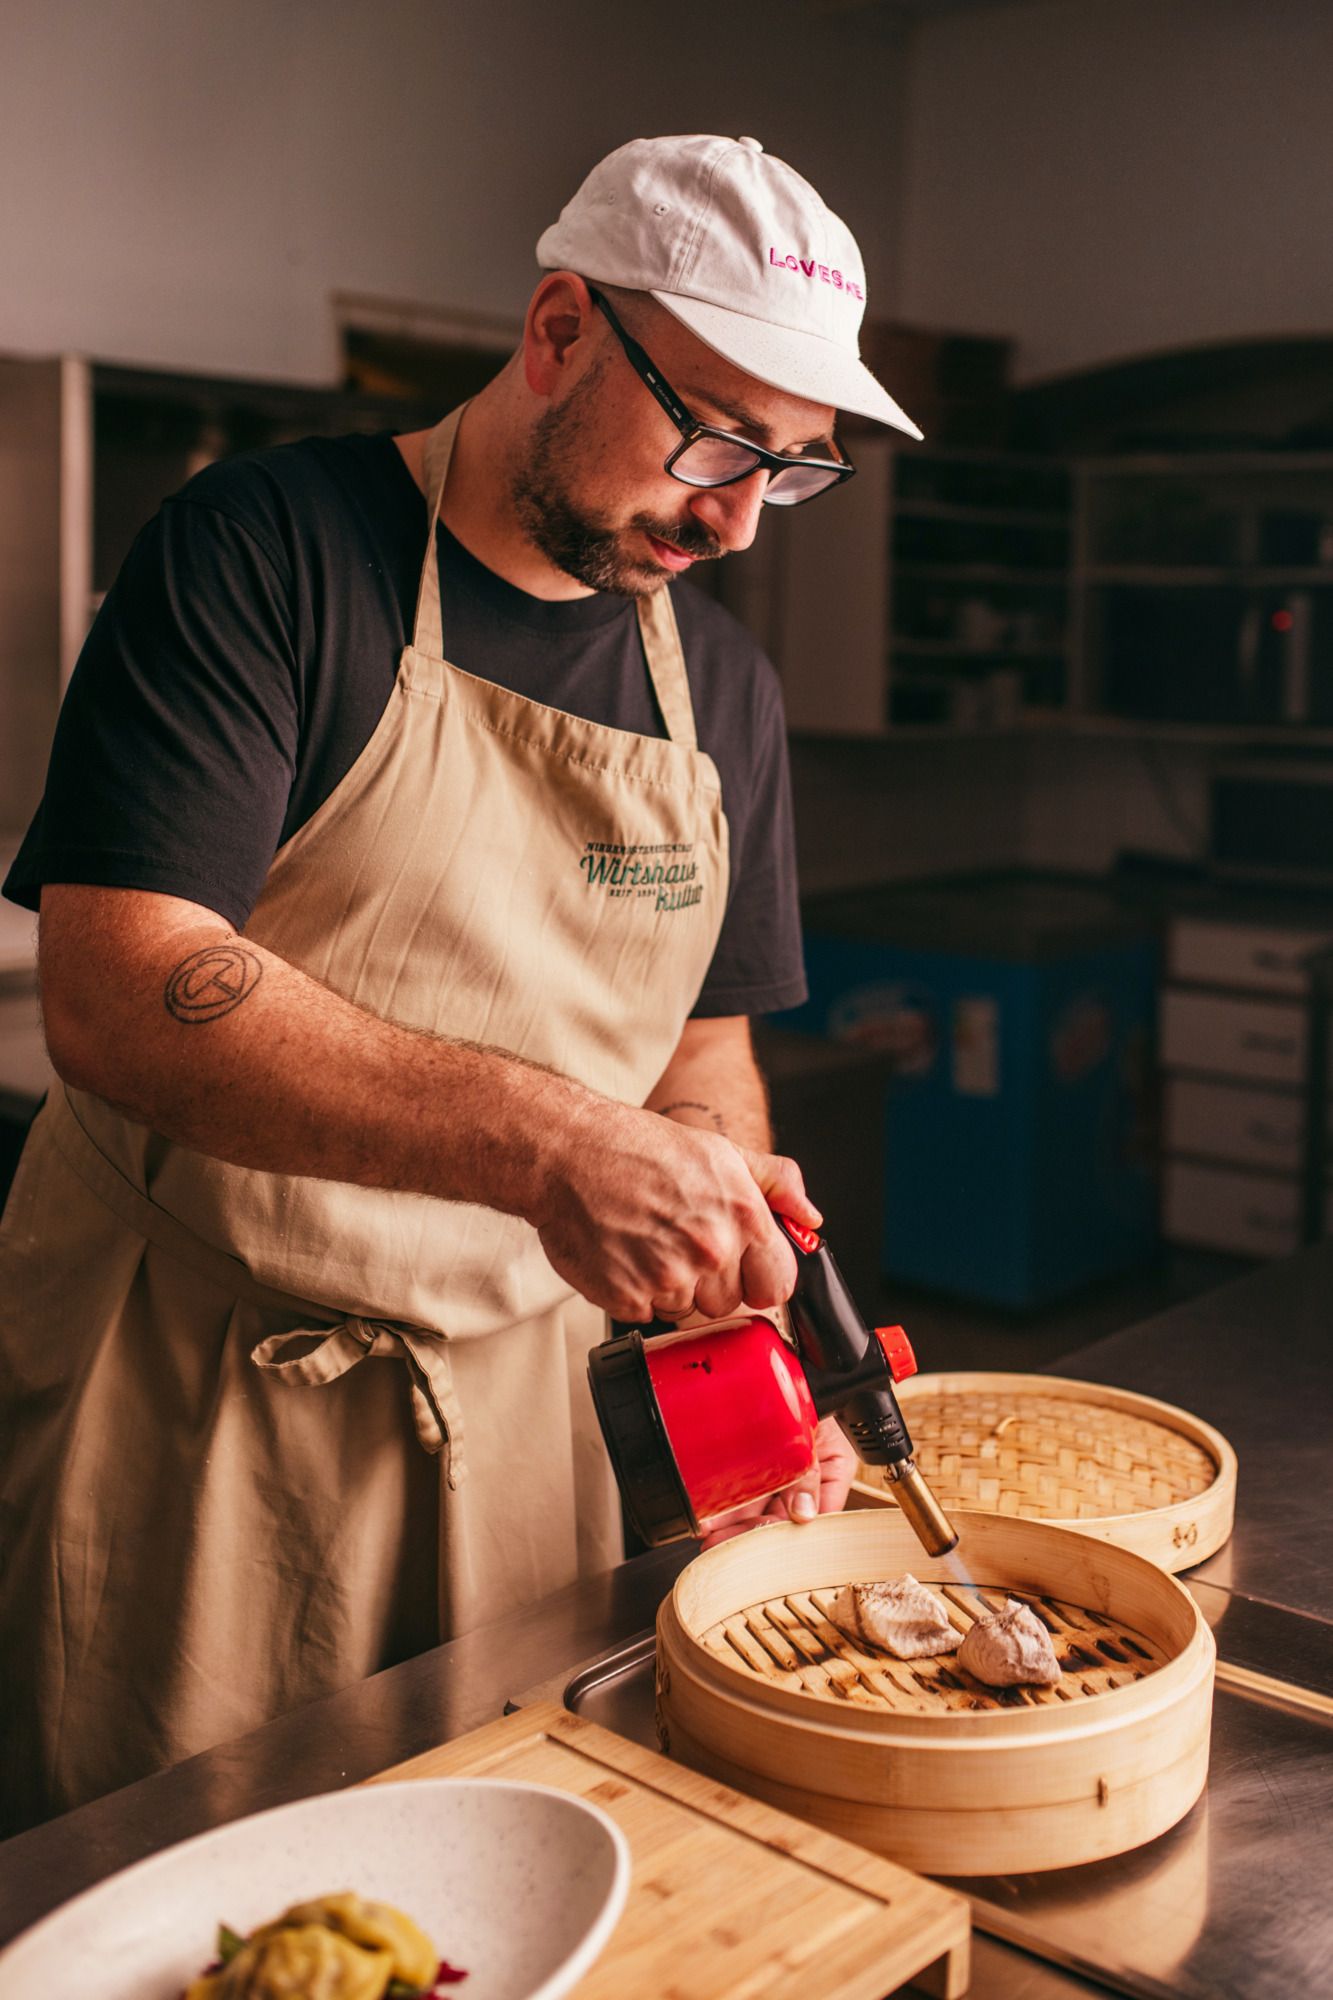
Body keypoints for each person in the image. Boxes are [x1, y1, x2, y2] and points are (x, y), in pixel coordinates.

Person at [0, 133, 922, 1831]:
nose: (730, 520)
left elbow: (697, 1046)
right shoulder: (268, 550)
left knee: (496, 1845)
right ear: (560, 329)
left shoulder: (722, 686)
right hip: (203, 1391)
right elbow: (121, 987)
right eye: (715, 436)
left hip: (519, 1416)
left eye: (790, 471)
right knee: (171, 1875)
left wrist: (724, 1259)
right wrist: (558, 1150)